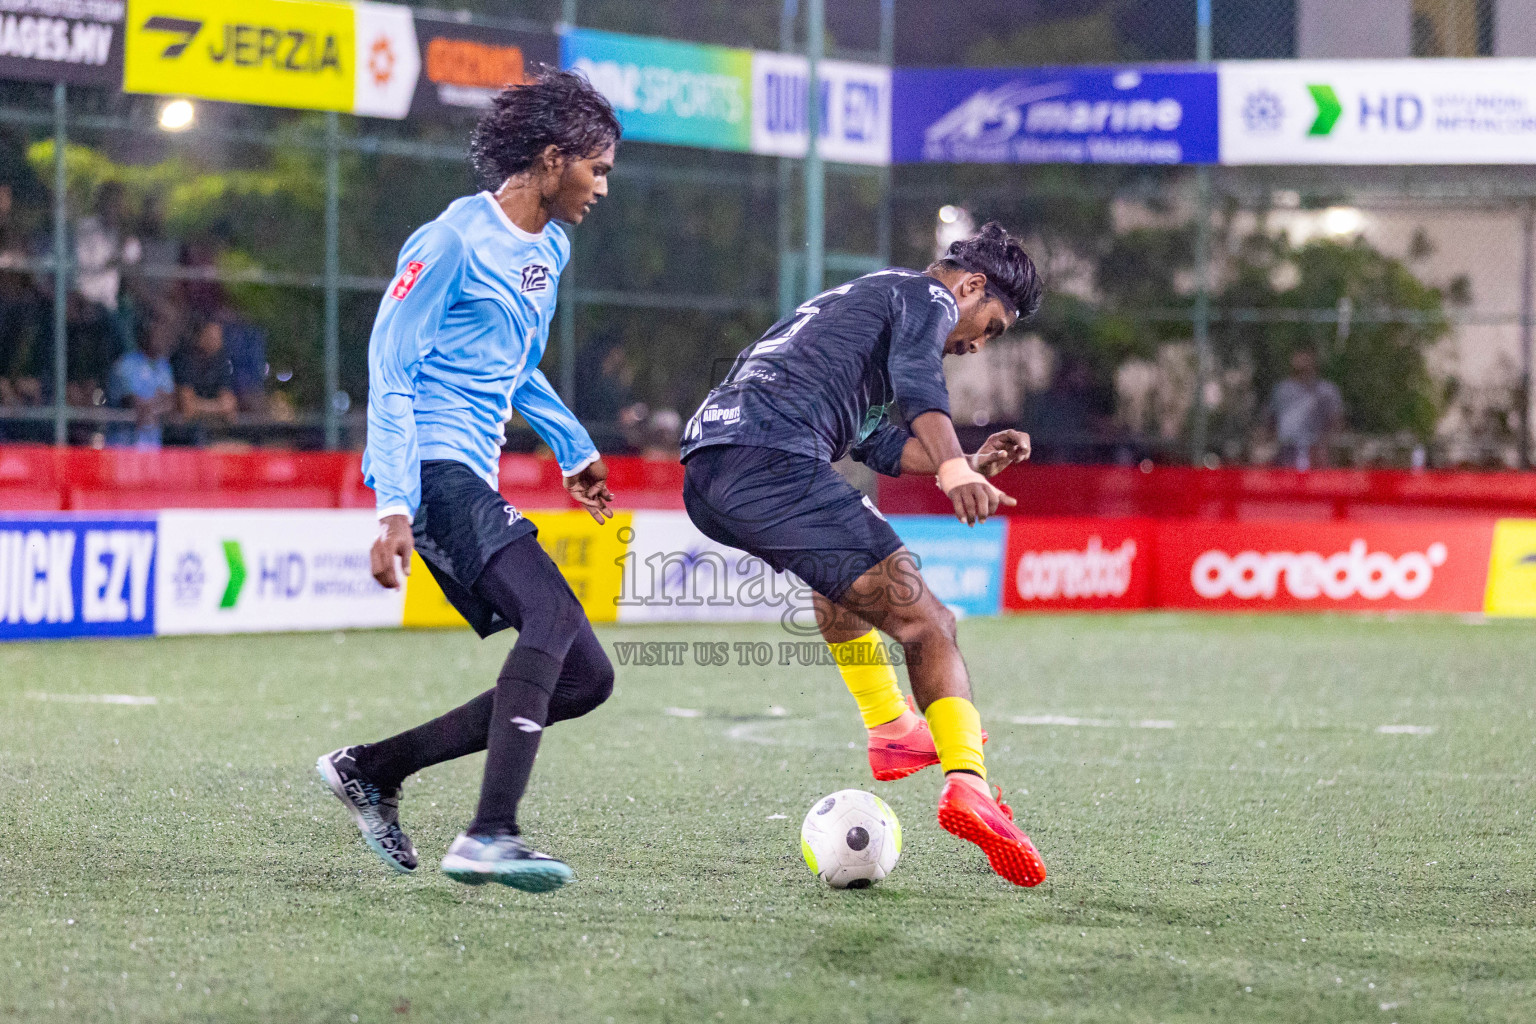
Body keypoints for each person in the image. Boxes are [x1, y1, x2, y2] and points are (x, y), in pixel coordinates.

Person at [316, 67, 621, 892]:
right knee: (551, 612)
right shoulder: (449, 240)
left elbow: (516, 369)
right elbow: (392, 367)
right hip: (430, 468)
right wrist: (393, 507)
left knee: (588, 677)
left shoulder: (551, 248)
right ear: (553, 160)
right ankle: (491, 832)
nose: (601, 188)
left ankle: (375, 768)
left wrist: (573, 447)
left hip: (470, 472)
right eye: (596, 170)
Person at [680, 222, 1048, 887]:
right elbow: (918, 380)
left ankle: (891, 727)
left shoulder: (870, 307)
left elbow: (877, 444)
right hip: (767, 458)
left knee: (845, 578)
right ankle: (970, 786)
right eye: (991, 326)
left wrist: (964, 458)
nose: (976, 346)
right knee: (929, 624)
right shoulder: (926, 298)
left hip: (715, 466)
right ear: (970, 286)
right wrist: (953, 473)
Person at [1263, 349, 1344, 470]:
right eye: (1298, 354)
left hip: (1316, 451)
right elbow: (1270, 420)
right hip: (1286, 450)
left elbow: (1336, 421)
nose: (1301, 360)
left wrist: (1326, 445)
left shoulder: (1326, 391)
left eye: (1306, 355)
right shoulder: (1281, 390)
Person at [106, 315, 177, 448]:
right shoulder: (126, 364)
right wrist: (156, 401)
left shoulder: (164, 366)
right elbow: (132, 402)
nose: (162, 338)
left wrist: (152, 404)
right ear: (145, 335)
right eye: (158, 332)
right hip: (124, 447)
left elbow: (170, 402)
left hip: (152, 447)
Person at [173, 319, 238, 429]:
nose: (217, 342)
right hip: (183, 434)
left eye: (219, 338)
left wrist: (199, 406)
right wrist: (218, 408)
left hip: (214, 431)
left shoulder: (222, 363)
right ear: (200, 337)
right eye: (212, 337)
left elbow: (229, 407)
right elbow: (187, 407)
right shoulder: (183, 360)